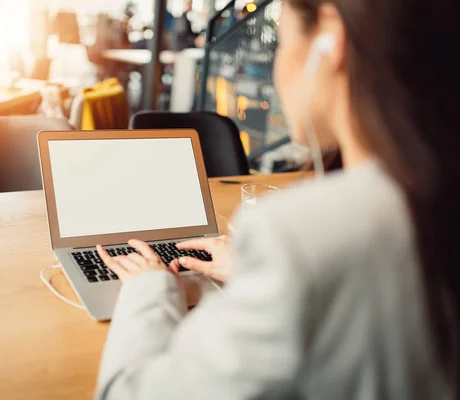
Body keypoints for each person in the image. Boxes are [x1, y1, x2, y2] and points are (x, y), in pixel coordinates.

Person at [94, 0, 459, 398]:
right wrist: (266, 284)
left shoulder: (296, 237)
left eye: (281, 43)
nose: (276, 69)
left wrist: (150, 288)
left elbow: (126, 393)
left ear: (329, 39)